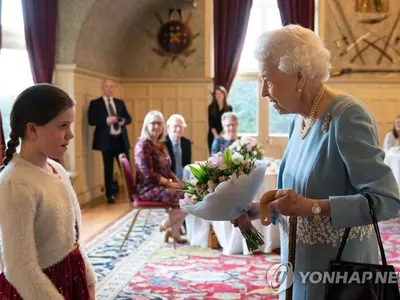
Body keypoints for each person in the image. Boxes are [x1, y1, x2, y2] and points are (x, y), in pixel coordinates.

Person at [252, 25, 400, 299]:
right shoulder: (299, 118)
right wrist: (251, 209)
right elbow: (294, 197)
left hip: (339, 275)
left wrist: (311, 207)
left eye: (267, 80)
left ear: (298, 76)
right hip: (297, 266)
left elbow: (387, 201)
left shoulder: (347, 116)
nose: (263, 92)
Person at [0, 84, 96, 299]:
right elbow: (19, 269)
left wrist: (88, 279)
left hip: (70, 275)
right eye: (63, 126)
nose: (70, 135)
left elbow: (73, 238)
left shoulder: (56, 169)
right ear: (33, 130)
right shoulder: (14, 185)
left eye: (70, 125)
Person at [133, 111, 187, 244]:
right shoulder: (142, 145)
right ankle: (165, 225)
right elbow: (147, 174)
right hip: (147, 189)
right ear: (146, 125)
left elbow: (167, 170)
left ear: (163, 126)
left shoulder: (161, 144)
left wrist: (178, 182)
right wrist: (170, 184)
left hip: (161, 185)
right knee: (186, 197)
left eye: (159, 123)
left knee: (192, 192)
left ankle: (174, 233)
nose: (156, 126)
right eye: (153, 123)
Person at [88, 79, 132, 204]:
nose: (109, 89)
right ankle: (110, 195)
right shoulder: (95, 103)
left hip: (121, 139)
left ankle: (131, 192)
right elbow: (91, 120)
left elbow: (128, 118)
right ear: (102, 88)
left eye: (111, 87)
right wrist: (107, 120)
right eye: (107, 87)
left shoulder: (119, 103)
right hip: (106, 141)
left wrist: (121, 121)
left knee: (126, 167)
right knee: (108, 169)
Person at [165, 114, 192, 180]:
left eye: (181, 126)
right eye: (175, 126)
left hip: (184, 180)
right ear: (168, 128)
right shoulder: (164, 143)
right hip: (168, 180)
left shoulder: (186, 143)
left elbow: (187, 165)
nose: (178, 129)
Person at [207, 86, 232, 154]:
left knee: (224, 156)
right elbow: (210, 123)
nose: (218, 95)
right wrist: (216, 136)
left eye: (220, 93)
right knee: (213, 157)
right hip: (212, 135)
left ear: (224, 94)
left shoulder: (229, 108)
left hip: (225, 135)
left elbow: (229, 122)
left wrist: (221, 135)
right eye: (216, 94)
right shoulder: (210, 107)